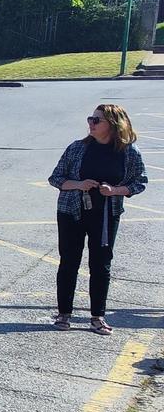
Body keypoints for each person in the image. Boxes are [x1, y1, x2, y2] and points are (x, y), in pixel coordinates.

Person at [48, 103, 146, 333]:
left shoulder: (128, 152)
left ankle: (97, 317)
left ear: (112, 125)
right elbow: (56, 178)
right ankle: (64, 314)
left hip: (105, 214)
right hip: (72, 211)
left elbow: (139, 182)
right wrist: (79, 185)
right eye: (90, 119)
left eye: (96, 120)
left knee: (101, 264)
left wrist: (115, 191)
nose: (90, 123)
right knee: (69, 261)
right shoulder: (77, 148)